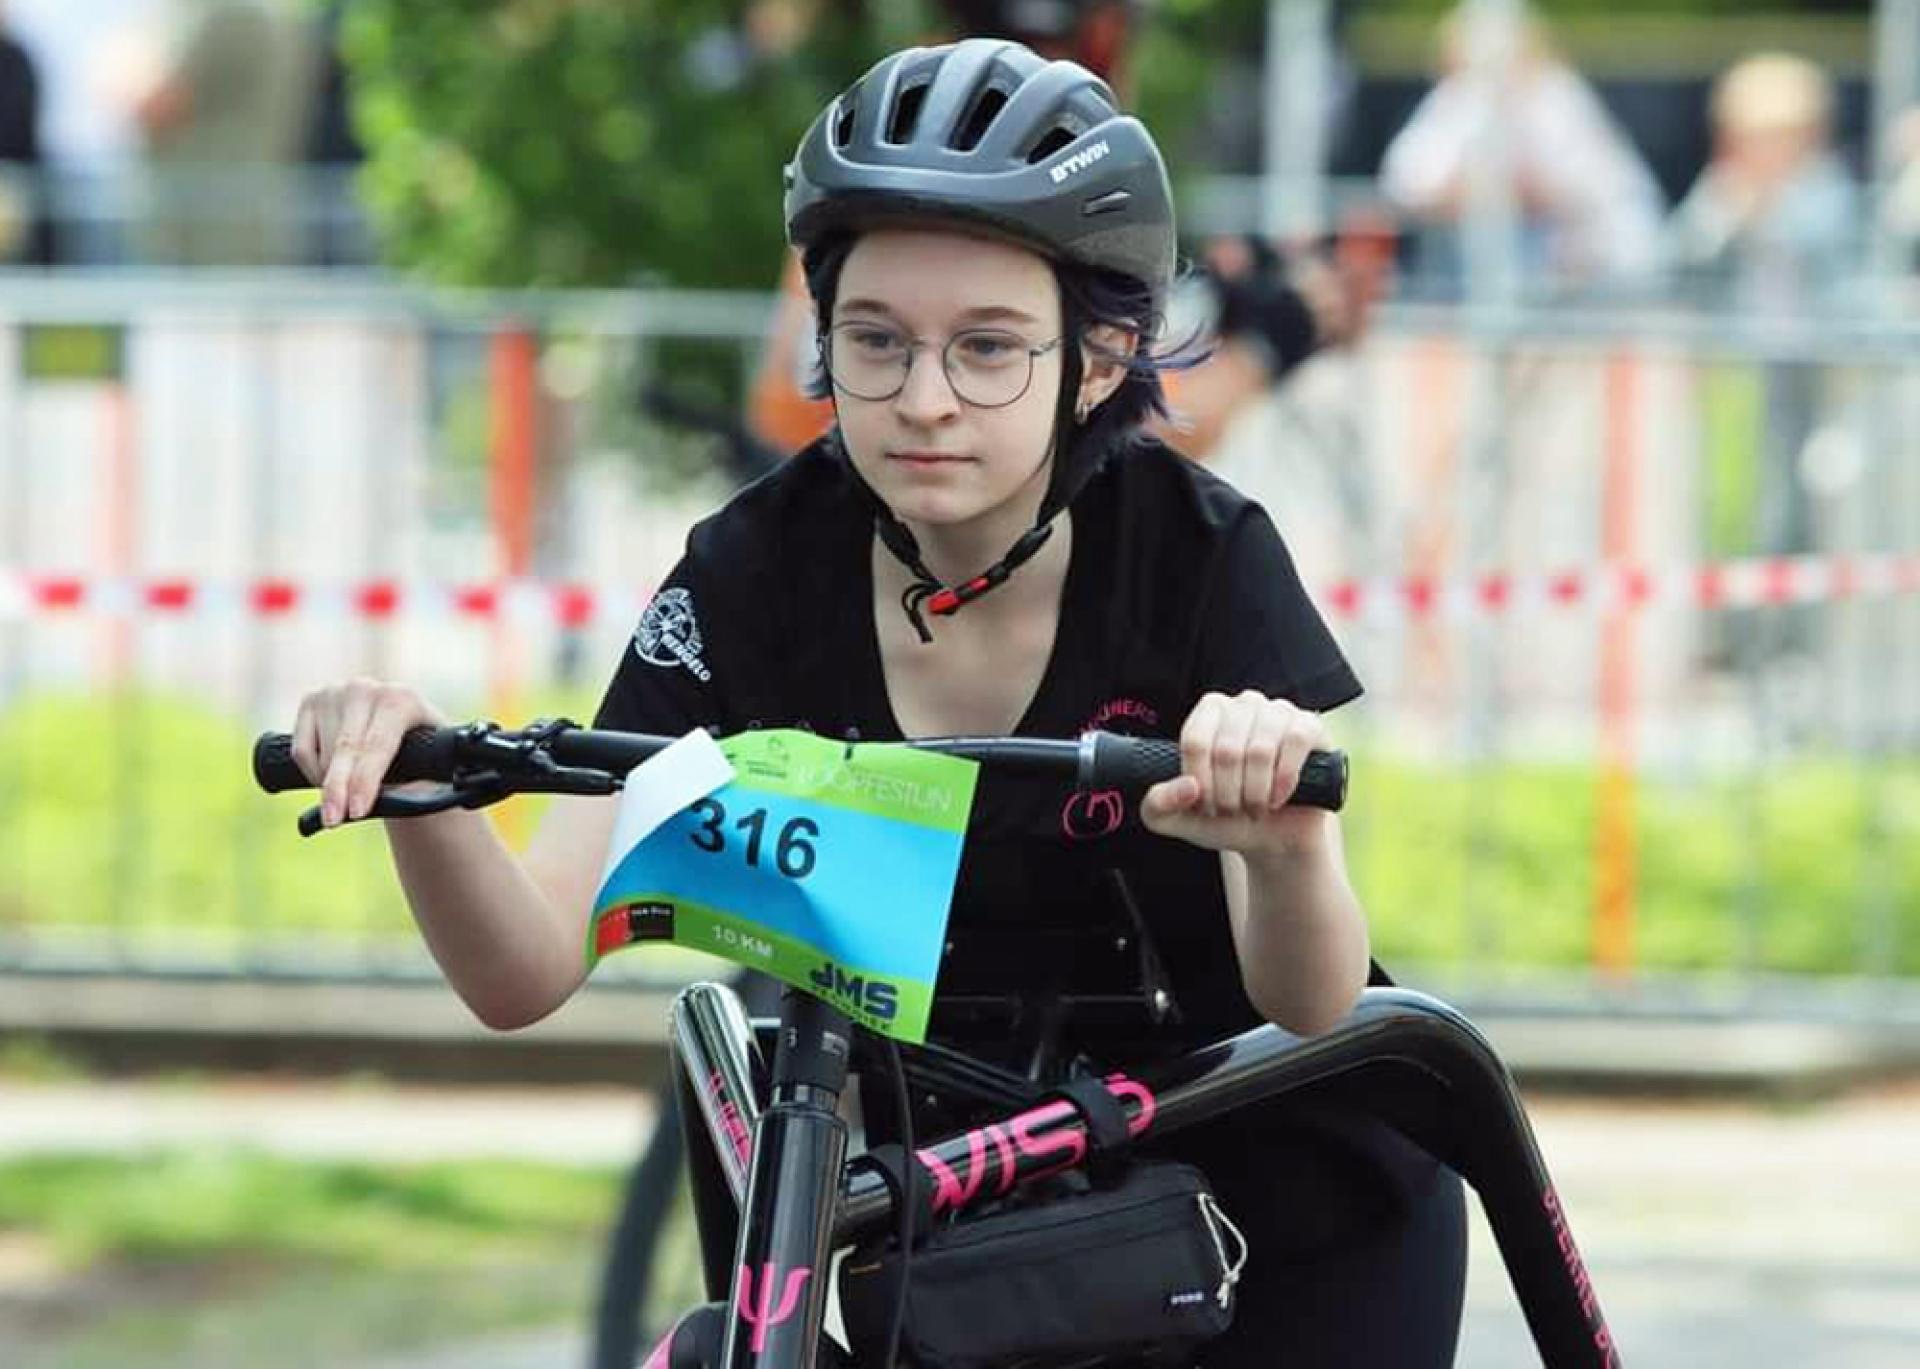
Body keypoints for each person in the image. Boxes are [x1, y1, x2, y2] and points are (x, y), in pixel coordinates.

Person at [291, 39, 1465, 1366]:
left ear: (1100, 356)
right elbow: (524, 967)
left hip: (1284, 1215)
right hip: (971, 1226)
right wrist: (421, 784)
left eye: (989, 349)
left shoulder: (1198, 553)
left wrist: (1284, 841)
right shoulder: (754, 568)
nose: (924, 401)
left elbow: (1310, 998)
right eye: (875, 341)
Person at [1378, 2, 1664, 293]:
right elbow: (1405, 181)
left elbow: (1578, 188)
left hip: (1601, 279)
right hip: (1492, 284)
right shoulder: (1457, 98)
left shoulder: (1558, 97)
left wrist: (1509, 191)